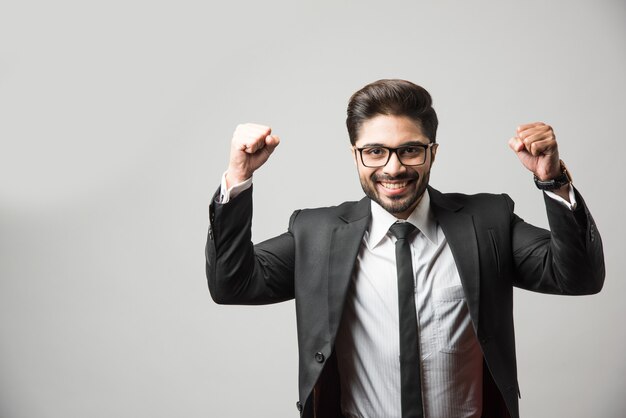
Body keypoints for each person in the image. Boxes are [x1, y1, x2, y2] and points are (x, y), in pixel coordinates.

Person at [205, 79, 605, 418]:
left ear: (432, 151)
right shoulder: (315, 233)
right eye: (375, 151)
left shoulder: (488, 222)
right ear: (356, 156)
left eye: (409, 150)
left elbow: (579, 277)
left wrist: (552, 181)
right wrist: (238, 178)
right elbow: (232, 285)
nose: (392, 168)